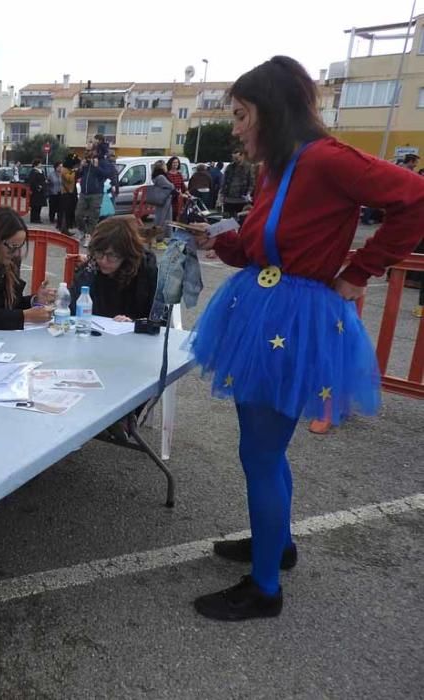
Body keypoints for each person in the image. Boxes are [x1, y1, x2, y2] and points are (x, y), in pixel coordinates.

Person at [188, 56, 424, 621]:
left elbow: (415, 198)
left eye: (242, 115)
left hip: (292, 323)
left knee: (261, 454)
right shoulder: (279, 167)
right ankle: (277, 544)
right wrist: (218, 238)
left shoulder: (324, 159)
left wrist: (360, 270)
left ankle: (265, 588)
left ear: (270, 111)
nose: (237, 127)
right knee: (263, 450)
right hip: (263, 313)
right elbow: (258, 247)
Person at [70, 215, 158, 322]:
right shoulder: (89, 269)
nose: (103, 260)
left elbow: (158, 318)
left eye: (112, 256)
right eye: (99, 253)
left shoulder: (145, 271)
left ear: (127, 254)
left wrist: (133, 322)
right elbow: (72, 310)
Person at [75, 154, 113, 240]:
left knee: (93, 216)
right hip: (84, 193)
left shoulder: (102, 163)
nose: (89, 159)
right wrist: (81, 166)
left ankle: (89, 235)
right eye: (88, 157)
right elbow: (77, 175)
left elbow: (107, 174)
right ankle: (82, 230)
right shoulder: (86, 165)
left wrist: (96, 167)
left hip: (96, 194)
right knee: (78, 214)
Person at [220, 148, 254, 217]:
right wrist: (221, 195)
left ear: (242, 156)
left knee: (240, 221)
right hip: (228, 200)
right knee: (227, 221)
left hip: (242, 200)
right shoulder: (229, 167)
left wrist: (248, 193)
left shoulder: (249, 167)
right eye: (234, 158)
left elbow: (252, 183)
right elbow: (224, 182)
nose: (235, 160)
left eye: (237, 158)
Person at [164, 156, 187, 221]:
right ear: (170, 163)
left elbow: (183, 186)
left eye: (177, 162)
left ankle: (174, 228)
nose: (175, 164)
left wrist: (187, 192)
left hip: (178, 198)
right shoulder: (167, 174)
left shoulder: (179, 174)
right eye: (174, 162)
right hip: (170, 197)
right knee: (170, 215)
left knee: (177, 214)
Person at [59, 155, 78, 235]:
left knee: (69, 211)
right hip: (66, 193)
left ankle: (67, 227)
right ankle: (64, 228)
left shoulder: (68, 169)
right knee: (65, 211)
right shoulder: (64, 170)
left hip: (71, 192)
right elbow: (69, 179)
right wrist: (74, 171)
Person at [26, 158, 47, 224]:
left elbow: (43, 179)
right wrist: (38, 186)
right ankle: (34, 218)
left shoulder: (41, 171)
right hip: (35, 192)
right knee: (35, 205)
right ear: (36, 164)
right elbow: (32, 181)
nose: (41, 164)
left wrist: (44, 184)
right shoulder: (33, 171)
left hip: (41, 191)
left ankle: (38, 218)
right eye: (40, 163)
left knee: (39, 205)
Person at [47, 161, 62, 227]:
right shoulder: (51, 174)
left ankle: (59, 219)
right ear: (56, 167)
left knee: (60, 207)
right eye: (59, 167)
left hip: (61, 193)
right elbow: (48, 183)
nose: (61, 168)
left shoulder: (62, 174)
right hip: (53, 193)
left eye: (61, 166)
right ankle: (51, 218)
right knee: (52, 207)